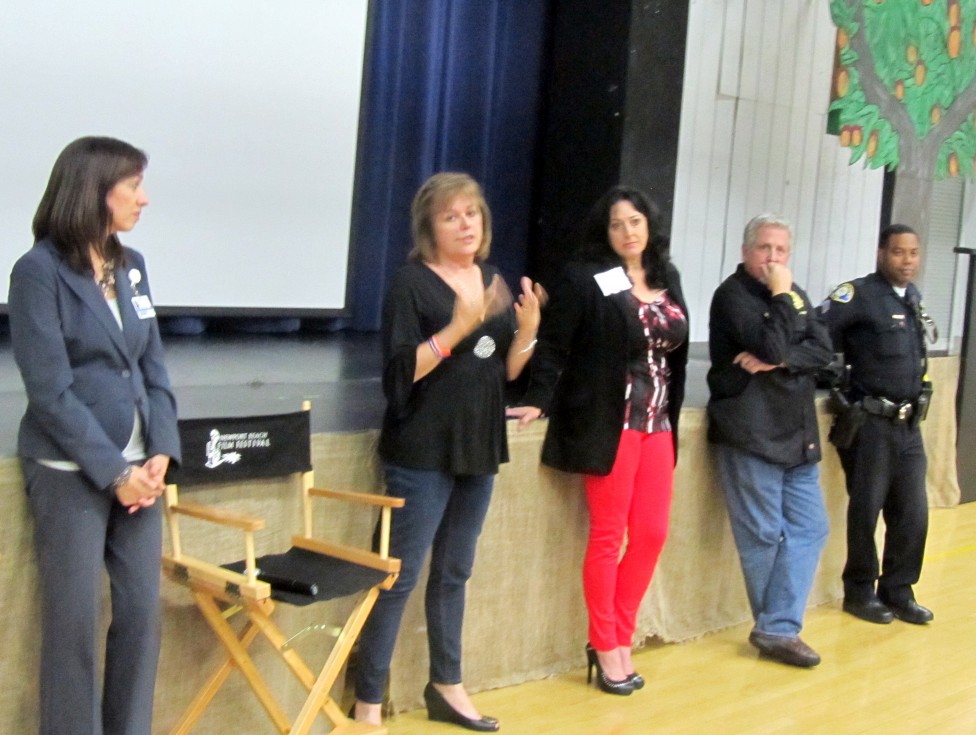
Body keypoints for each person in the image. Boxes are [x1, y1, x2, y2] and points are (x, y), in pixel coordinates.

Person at [351, 172, 542, 731]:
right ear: (429, 227)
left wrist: (527, 330)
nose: (465, 224)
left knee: (455, 571)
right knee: (400, 576)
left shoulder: (492, 278)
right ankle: (367, 699)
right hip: (422, 447)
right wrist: (455, 329)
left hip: (478, 441)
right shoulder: (410, 283)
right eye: (451, 216)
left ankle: (447, 685)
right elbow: (399, 376)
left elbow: (502, 368)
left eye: (472, 214)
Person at [8, 136, 180, 735]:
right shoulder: (38, 273)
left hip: (142, 474)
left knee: (141, 616)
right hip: (72, 472)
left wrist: (162, 449)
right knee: (73, 624)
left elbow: (153, 366)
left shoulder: (132, 267)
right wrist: (116, 472)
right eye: (133, 186)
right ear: (94, 190)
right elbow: (49, 392)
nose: (144, 198)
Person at [509, 187, 688, 695]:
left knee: (652, 535)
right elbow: (557, 343)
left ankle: (621, 633)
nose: (628, 232)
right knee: (609, 536)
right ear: (605, 233)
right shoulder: (587, 278)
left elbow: (673, 348)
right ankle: (606, 644)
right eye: (617, 225)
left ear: (649, 226)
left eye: (636, 221)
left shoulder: (666, 277)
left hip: (659, 426)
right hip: (610, 423)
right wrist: (540, 397)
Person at [706, 213, 831, 668]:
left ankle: (776, 626)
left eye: (781, 251)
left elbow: (822, 351)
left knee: (812, 527)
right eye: (765, 249)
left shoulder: (796, 296)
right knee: (761, 535)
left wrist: (780, 360)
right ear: (745, 252)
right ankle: (779, 630)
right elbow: (772, 345)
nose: (773, 258)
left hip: (797, 435)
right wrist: (781, 300)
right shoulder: (731, 296)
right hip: (750, 431)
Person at [818, 224, 935, 625]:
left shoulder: (913, 297)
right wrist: (829, 378)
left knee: (913, 511)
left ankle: (898, 589)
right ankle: (860, 589)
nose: (907, 261)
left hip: (908, 424)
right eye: (899, 253)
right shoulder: (858, 295)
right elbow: (818, 329)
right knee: (866, 509)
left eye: (914, 253)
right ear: (881, 253)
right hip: (871, 422)